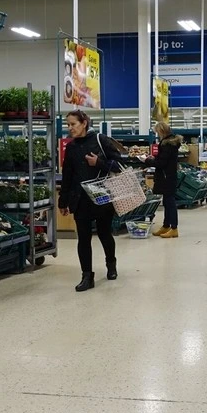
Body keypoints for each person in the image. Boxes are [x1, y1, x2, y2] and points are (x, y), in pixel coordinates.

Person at [58, 110, 123, 292]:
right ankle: (87, 276)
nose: (70, 128)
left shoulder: (101, 141)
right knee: (83, 239)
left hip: (102, 197)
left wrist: (99, 163)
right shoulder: (70, 147)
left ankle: (111, 264)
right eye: (68, 125)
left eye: (73, 124)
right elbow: (67, 176)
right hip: (80, 199)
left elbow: (119, 165)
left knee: (104, 234)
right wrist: (63, 201)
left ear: (84, 123)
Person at [143, 122, 182, 238]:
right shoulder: (171, 143)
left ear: (161, 131)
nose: (157, 134)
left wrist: (147, 161)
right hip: (169, 176)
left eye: (157, 131)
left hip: (166, 177)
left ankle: (174, 228)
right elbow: (164, 159)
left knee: (170, 203)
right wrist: (154, 158)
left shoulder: (167, 145)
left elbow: (161, 163)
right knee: (167, 202)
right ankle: (166, 226)